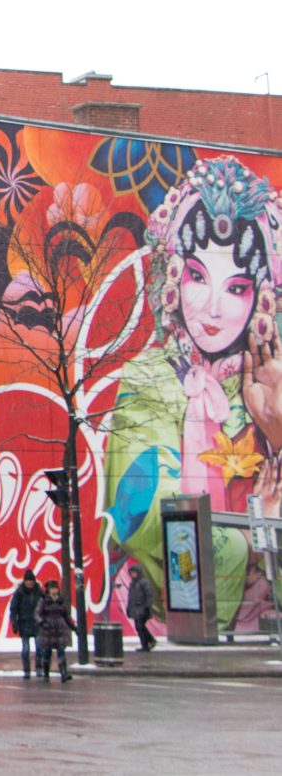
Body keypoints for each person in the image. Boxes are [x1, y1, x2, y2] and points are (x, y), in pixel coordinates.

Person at [106, 155, 282, 636]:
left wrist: (279, 435)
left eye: (238, 287)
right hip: (167, 619)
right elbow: (140, 516)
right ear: (173, 277)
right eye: (198, 277)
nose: (212, 308)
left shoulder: (269, 379)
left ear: (262, 296)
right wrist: (255, 535)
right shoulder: (149, 378)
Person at [35, 579, 76, 683]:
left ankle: (63, 673)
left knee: (61, 652)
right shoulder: (43, 600)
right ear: (48, 590)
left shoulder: (61, 601)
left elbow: (66, 616)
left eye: (56, 588)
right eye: (52, 588)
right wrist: (42, 623)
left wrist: (74, 628)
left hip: (59, 631)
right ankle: (46, 674)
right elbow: (37, 614)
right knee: (47, 653)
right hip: (47, 631)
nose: (54, 591)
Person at [8, 569, 42, 678]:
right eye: (28, 580)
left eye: (31, 580)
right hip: (24, 623)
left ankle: (38, 668)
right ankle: (27, 670)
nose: (29, 583)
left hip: (37, 623)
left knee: (39, 647)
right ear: (24, 581)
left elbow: (44, 605)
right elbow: (13, 609)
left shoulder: (39, 591)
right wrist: (14, 623)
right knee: (26, 649)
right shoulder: (19, 592)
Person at [125, 565, 157, 651]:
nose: (132, 574)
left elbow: (149, 596)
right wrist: (128, 608)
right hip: (135, 610)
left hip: (142, 609)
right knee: (139, 627)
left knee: (140, 626)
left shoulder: (144, 582)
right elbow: (131, 597)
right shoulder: (133, 584)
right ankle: (145, 645)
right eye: (131, 573)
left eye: (134, 573)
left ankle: (150, 641)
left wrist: (147, 607)